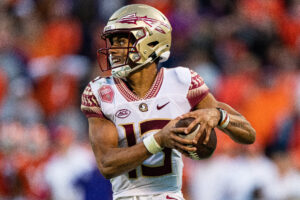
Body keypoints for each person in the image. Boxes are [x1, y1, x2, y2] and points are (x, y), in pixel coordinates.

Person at [81, 4, 256, 200]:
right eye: (112, 43)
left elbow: (249, 135)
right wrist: (158, 141)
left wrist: (219, 115)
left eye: (121, 41)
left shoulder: (182, 81)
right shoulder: (101, 91)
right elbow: (106, 164)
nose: (113, 50)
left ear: (151, 42)